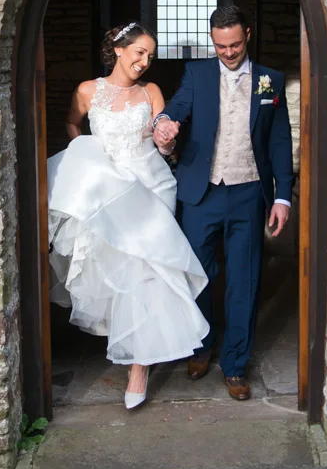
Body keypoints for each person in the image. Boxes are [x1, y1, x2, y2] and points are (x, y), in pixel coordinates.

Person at [47, 22, 209, 410]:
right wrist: (87, 156)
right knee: (121, 270)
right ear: (118, 49)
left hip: (151, 186)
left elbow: (162, 138)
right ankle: (135, 342)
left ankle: (139, 366)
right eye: (139, 52)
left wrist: (167, 139)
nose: (145, 61)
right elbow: (71, 123)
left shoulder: (151, 92)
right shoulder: (88, 91)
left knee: (148, 272)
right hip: (109, 190)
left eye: (150, 56)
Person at [153, 6, 293, 401]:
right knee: (197, 274)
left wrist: (282, 196)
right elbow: (176, 108)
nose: (228, 52)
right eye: (220, 46)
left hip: (249, 193)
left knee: (245, 280)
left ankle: (234, 365)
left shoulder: (270, 80)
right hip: (203, 192)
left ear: (247, 34)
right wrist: (163, 122)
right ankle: (201, 347)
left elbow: (280, 141)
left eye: (234, 44)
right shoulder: (197, 74)